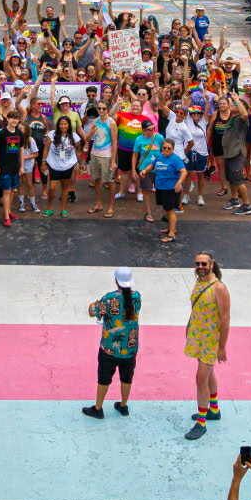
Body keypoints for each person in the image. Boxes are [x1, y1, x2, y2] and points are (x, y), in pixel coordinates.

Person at [183, 251, 230, 440]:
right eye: (197, 264)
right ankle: (214, 409)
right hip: (198, 335)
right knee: (208, 374)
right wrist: (189, 325)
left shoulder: (219, 288)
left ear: (212, 264)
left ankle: (201, 422)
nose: (200, 267)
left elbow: (225, 318)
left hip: (211, 339)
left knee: (200, 379)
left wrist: (222, 346)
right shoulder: (199, 282)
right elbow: (197, 307)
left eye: (204, 264)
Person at [84, 266, 141, 419]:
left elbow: (92, 311)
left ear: (116, 280)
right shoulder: (136, 296)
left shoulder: (109, 298)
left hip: (109, 348)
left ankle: (98, 408)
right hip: (130, 347)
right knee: (127, 377)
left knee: (104, 378)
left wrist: (94, 305)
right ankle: (123, 405)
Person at [145, 137, 188, 244]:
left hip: (170, 189)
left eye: (169, 148)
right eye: (164, 148)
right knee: (166, 209)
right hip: (160, 188)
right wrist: (145, 170)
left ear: (173, 149)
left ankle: (171, 234)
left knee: (170, 210)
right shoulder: (160, 157)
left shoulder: (175, 159)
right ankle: (170, 228)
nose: (166, 150)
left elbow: (184, 172)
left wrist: (178, 183)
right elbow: (152, 165)